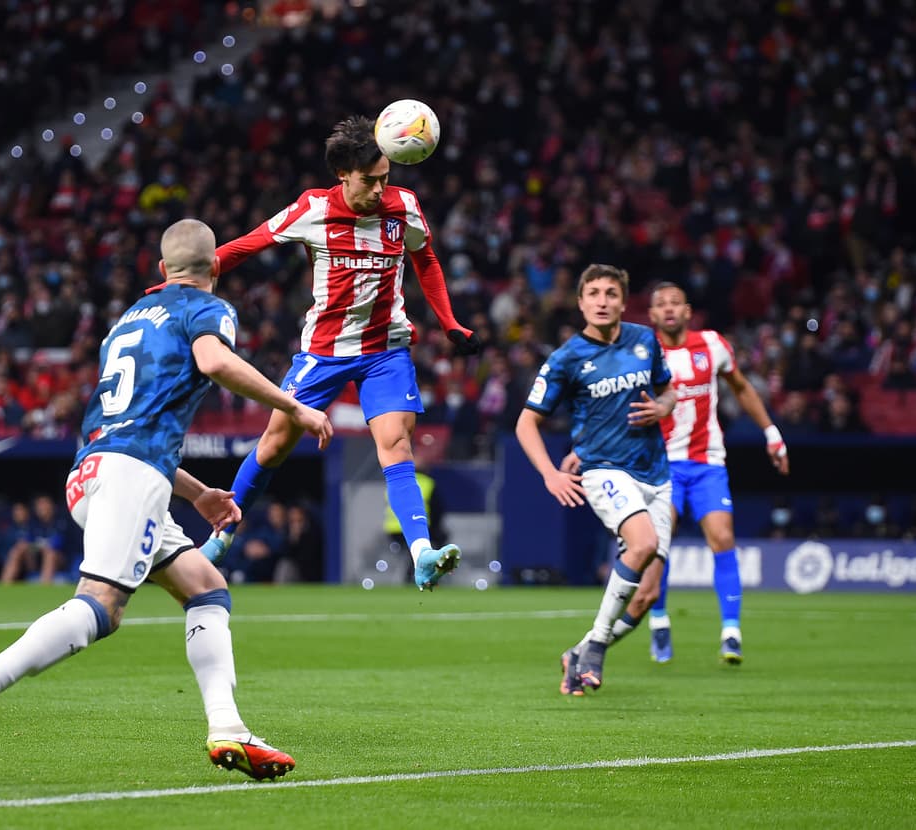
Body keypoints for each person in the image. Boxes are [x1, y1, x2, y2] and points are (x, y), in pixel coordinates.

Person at [0, 219, 333, 780]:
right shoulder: (207, 308)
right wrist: (293, 406)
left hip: (95, 469)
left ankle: (227, 726)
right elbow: (214, 362)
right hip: (129, 476)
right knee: (101, 606)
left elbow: (131, 427)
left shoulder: (127, 320)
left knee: (205, 587)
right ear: (215, 267)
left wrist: (197, 493)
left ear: (162, 270)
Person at [200, 115, 477, 591]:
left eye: (385, 178)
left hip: (386, 350)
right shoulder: (313, 209)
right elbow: (246, 246)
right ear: (343, 174)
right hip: (324, 352)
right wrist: (185, 278)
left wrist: (448, 320)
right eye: (370, 180)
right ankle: (222, 537)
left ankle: (422, 553)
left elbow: (426, 259)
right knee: (274, 444)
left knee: (397, 446)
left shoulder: (404, 207)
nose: (380, 189)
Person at [514, 264, 675, 696]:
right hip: (604, 470)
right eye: (594, 294)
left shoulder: (645, 340)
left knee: (646, 596)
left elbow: (668, 391)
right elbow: (526, 423)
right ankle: (598, 647)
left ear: (623, 302)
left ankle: (577, 653)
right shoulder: (566, 358)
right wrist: (549, 474)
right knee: (641, 543)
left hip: (656, 474)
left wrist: (663, 407)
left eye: (611, 294)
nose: (602, 301)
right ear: (581, 302)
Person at [633, 282, 791, 665]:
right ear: (652, 315)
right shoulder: (642, 352)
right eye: (661, 304)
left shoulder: (713, 344)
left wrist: (771, 433)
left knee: (722, 537)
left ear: (688, 311)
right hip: (661, 465)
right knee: (658, 544)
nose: (669, 309)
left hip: (707, 462)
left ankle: (731, 632)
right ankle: (659, 620)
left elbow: (741, 387)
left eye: (675, 303)